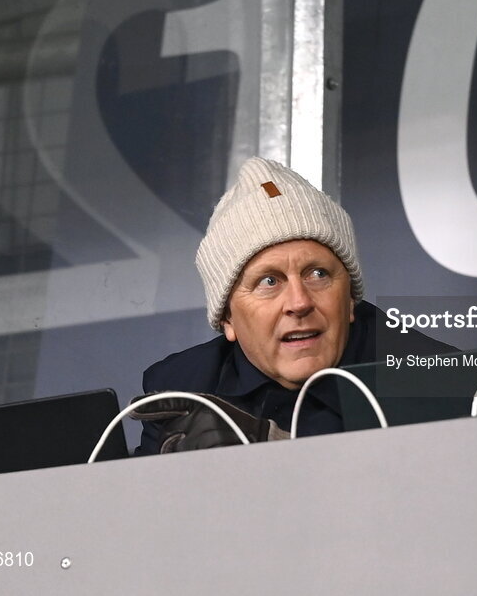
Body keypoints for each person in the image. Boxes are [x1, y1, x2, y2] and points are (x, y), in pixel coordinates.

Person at [135, 157, 451, 454]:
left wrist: (271, 449)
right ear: (227, 318)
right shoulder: (181, 390)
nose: (299, 303)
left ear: (351, 299)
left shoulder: (430, 377)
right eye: (268, 282)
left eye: (318, 274)